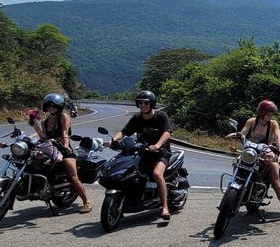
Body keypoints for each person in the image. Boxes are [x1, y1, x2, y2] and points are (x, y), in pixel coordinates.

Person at [105, 90, 174, 220]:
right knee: (128, 172)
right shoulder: (137, 118)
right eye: (140, 103)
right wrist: (113, 141)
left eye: (146, 103)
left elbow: (166, 133)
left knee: (157, 174)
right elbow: (124, 132)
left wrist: (157, 145)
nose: (143, 105)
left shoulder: (161, 116)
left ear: (151, 103)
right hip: (141, 152)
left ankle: (165, 207)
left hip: (160, 153)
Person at [227, 100, 280, 221]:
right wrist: (236, 134)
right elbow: (243, 133)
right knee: (237, 161)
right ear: (262, 112)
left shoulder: (273, 124)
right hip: (251, 151)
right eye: (269, 113)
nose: (271, 116)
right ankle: (233, 192)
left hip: (266, 152)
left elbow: (278, 138)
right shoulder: (252, 122)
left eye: (272, 113)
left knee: (275, 182)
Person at [29, 93, 92, 213]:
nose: (50, 108)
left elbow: (65, 133)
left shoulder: (63, 116)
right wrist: (36, 127)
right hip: (49, 149)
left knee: (73, 177)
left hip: (63, 149)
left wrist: (65, 147)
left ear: (59, 107)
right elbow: (45, 137)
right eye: (48, 106)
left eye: (53, 106)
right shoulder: (45, 121)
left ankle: (86, 202)